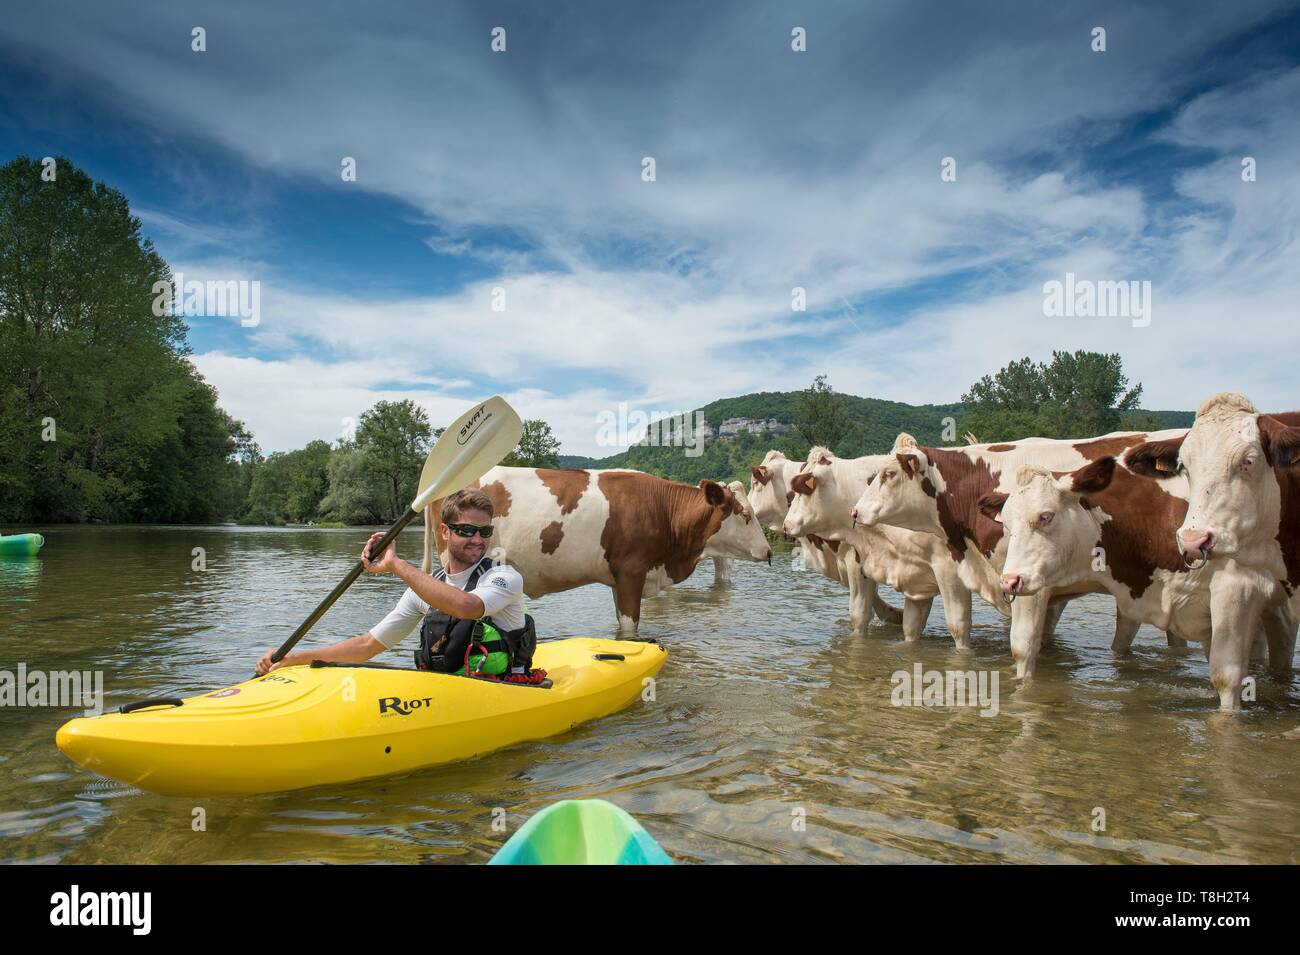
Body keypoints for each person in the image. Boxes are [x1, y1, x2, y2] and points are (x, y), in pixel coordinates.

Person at [255, 489, 533, 677]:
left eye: (484, 531)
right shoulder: (425, 590)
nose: (477, 539)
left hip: (503, 689)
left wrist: (394, 564)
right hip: (450, 691)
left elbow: (467, 607)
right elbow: (367, 645)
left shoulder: (504, 577)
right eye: (467, 530)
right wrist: (291, 659)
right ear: (445, 532)